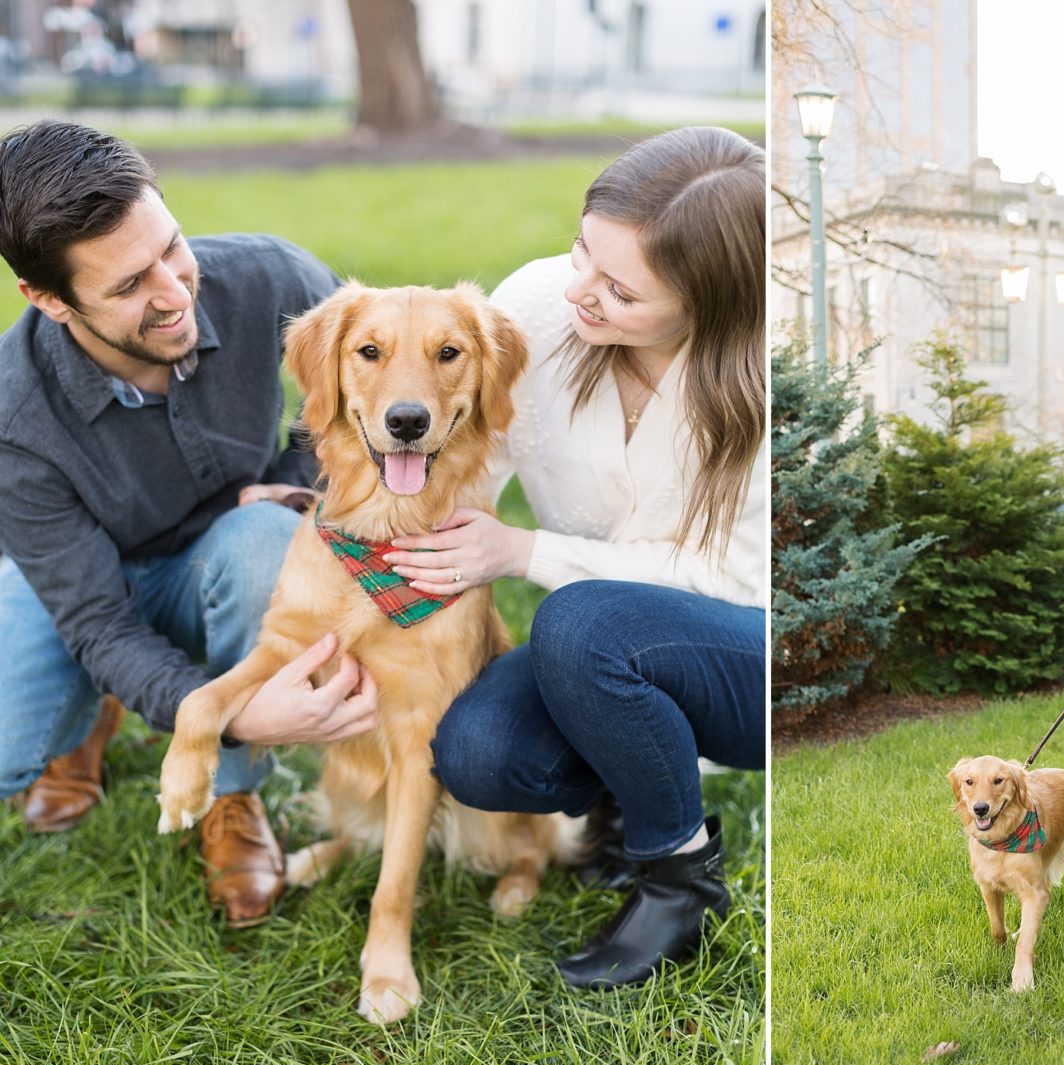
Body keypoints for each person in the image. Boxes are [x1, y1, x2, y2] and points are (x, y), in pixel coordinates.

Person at [379, 126, 766, 989]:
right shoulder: (545, 305)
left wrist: (525, 551)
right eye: (583, 250)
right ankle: (623, 783)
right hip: (598, 640)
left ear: (707, 304)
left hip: (749, 657)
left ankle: (678, 875)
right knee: (478, 752)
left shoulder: (753, 392)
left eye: (621, 291)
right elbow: (468, 466)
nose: (581, 292)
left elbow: (733, 582)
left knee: (583, 620)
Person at [0, 121, 378, 926]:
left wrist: (287, 485)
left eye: (171, 248)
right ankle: (94, 717)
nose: (173, 292)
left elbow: (357, 405)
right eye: (130, 285)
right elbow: (96, 618)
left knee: (265, 548)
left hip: (218, 556)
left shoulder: (272, 279)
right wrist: (240, 711)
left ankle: (230, 801)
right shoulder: (13, 416)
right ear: (50, 300)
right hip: (76, 580)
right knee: (9, 744)